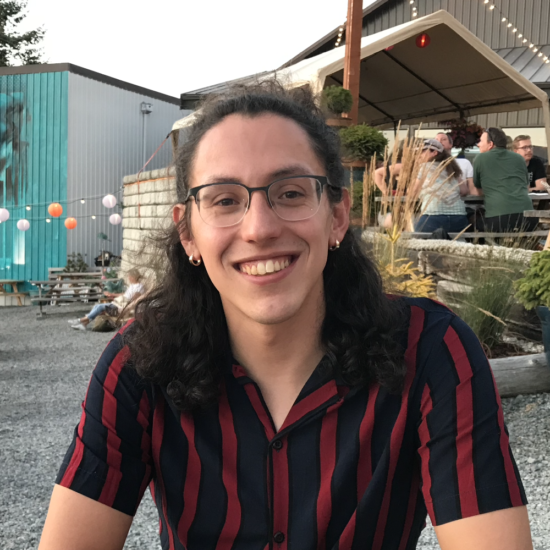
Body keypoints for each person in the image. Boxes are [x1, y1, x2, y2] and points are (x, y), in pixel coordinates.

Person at [39, 83, 532, 550]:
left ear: (337, 215)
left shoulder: (428, 349)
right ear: (188, 233)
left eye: (291, 192)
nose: (259, 228)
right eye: (224, 200)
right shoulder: (139, 363)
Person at [473, 127, 537, 232]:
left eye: (481, 141)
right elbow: (526, 185)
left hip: (498, 219)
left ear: (490, 144)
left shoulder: (480, 158)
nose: (478, 144)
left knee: (474, 223)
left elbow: (477, 187)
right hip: (528, 218)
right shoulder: (519, 158)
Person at [413, 139, 470, 234]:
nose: (418, 155)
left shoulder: (424, 167)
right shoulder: (451, 167)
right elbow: (464, 190)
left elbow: (413, 191)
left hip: (432, 216)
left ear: (434, 152)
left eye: (422, 151)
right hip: (459, 217)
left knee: (416, 237)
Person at [68, 268, 144, 331]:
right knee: (97, 306)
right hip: (119, 302)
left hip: (122, 306)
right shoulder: (132, 285)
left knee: (100, 307)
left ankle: (80, 320)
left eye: (129, 276)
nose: (128, 278)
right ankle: (84, 324)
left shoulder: (139, 287)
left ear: (133, 277)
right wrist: (112, 294)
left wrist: (126, 307)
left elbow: (134, 300)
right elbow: (124, 294)